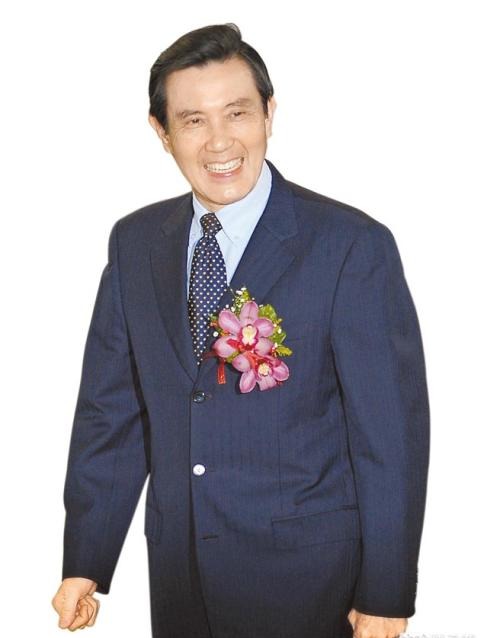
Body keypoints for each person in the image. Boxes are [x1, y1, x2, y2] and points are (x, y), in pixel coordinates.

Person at [51, 22, 430, 638]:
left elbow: (389, 436)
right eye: (193, 120)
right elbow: (112, 412)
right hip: (180, 580)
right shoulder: (135, 242)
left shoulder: (350, 246)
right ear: (162, 132)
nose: (219, 141)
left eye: (237, 113)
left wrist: (387, 593)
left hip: (310, 584)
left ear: (269, 113)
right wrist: (86, 560)